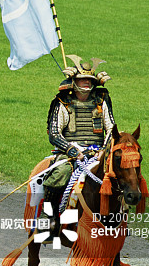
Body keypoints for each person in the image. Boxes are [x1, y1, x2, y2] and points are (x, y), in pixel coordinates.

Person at [43, 58, 114, 218]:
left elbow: (111, 128)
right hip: (70, 152)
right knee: (60, 174)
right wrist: (72, 151)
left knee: (121, 175)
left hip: (98, 152)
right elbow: (54, 134)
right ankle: (48, 216)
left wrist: (104, 150)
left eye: (90, 80)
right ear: (74, 82)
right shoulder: (62, 102)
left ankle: (118, 216)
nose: (87, 83)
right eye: (83, 80)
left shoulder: (101, 100)